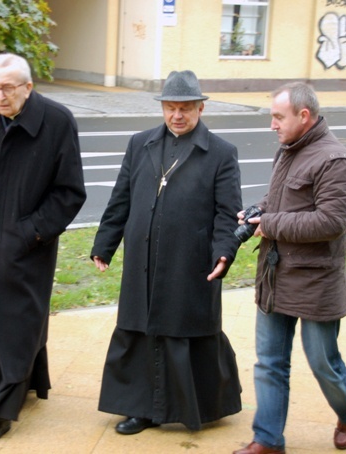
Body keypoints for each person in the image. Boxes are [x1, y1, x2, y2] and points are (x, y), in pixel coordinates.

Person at [90, 70, 243, 434]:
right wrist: (105, 244)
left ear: (201, 108)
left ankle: (199, 407)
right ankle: (139, 409)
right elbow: (121, 199)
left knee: (182, 330)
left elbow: (228, 213)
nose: (177, 115)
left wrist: (224, 251)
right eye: (171, 108)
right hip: (141, 261)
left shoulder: (221, 153)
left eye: (186, 108)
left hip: (189, 264)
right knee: (139, 331)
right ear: (162, 108)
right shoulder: (139, 143)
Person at [0, 53, 86, 446]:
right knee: (3, 317)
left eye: (8, 88)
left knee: (12, 322)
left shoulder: (56, 122)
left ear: (28, 86)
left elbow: (69, 192)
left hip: (30, 248)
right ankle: (26, 381)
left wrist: (30, 234)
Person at [233, 82, 346, 454]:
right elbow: (280, 199)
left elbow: (330, 222)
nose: (272, 125)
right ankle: (268, 440)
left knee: (323, 361)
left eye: (278, 117)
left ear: (303, 116)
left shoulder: (334, 160)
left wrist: (269, 224)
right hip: (276, 275)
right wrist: (258, 211)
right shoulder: (288, 150)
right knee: (270, 362)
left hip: (316, 281)